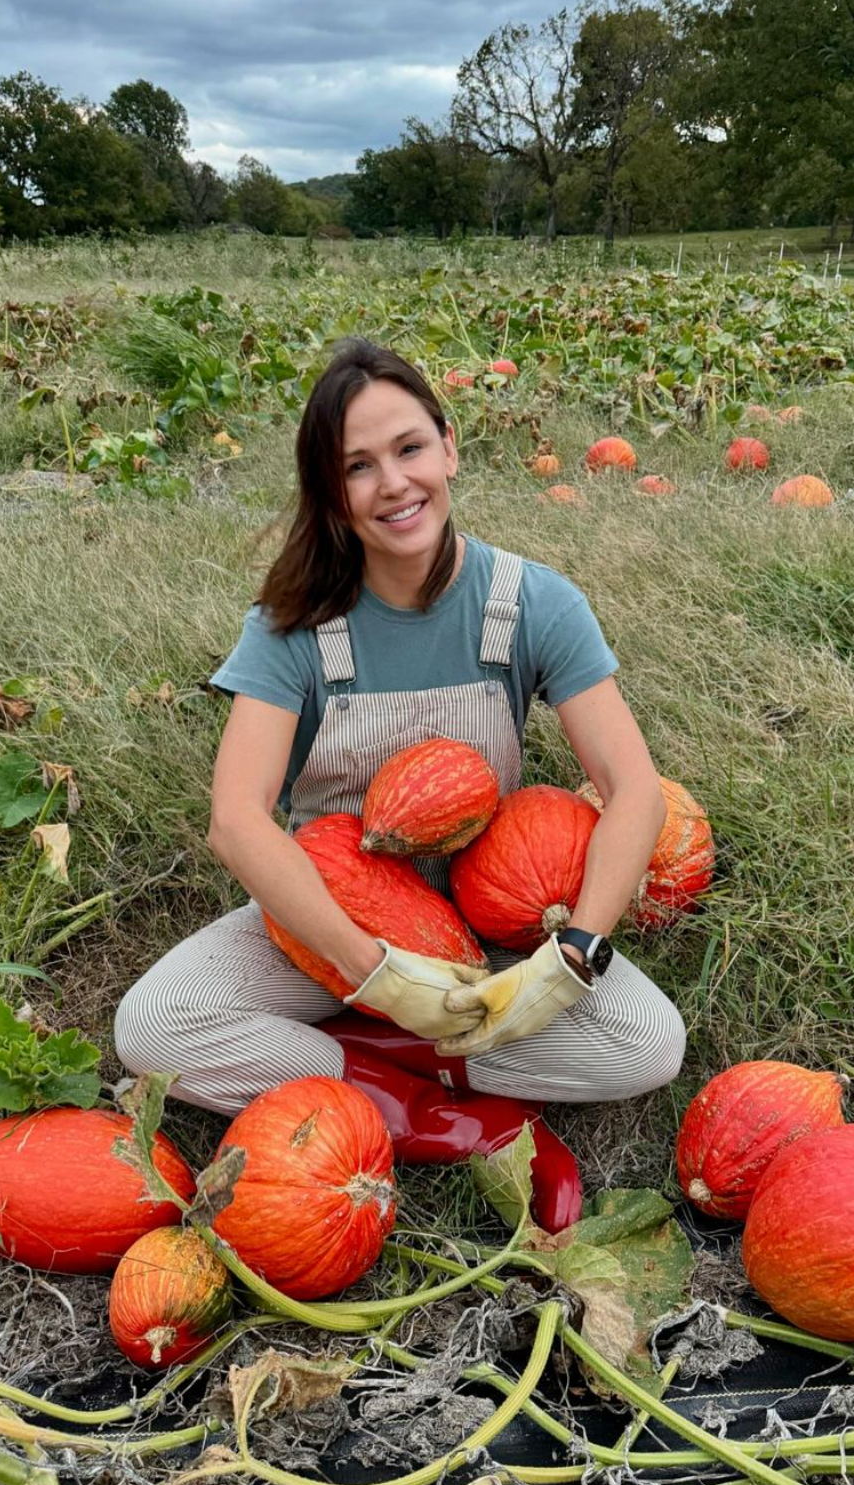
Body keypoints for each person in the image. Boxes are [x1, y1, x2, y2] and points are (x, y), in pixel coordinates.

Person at [114, 338, 685, 1233]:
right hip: (320, 924)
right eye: (358, 467)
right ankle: (427, 1107)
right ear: (332, 494)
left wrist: (573, 958)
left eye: (409, 449)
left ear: (449, 447)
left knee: (648, 1044)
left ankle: (350, 1053)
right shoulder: (294, 626)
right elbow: (237, 822)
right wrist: (367, 970)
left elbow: (635, 791)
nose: (393, 484)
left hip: (480, 926)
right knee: (151, 1026)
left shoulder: (532, 603)